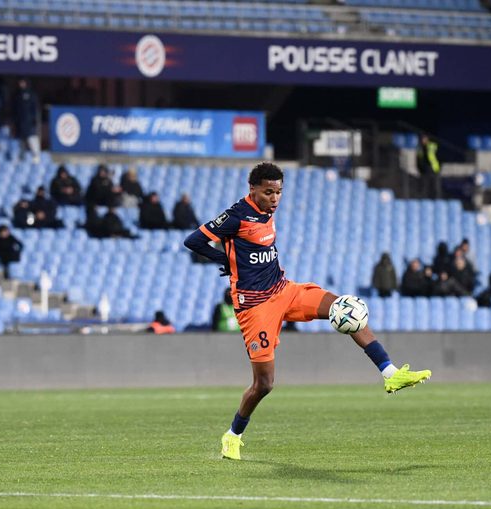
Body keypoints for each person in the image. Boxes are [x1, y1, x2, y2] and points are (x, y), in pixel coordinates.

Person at [183, 162, 431, 461]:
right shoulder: (236, 216)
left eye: (279, 192)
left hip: (284, 290)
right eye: (268, 192)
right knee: (264, 384)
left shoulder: (267, 211)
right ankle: (233, 435)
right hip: (255, 306)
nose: (274, 198)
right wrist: (224, 259)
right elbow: (193, 240)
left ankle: (390, 373)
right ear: (253, 189)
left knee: (345, 307)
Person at [11, 78, 40, 162]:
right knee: (21, 142)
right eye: (20, 82)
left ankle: (36, 156)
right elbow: (14, 109)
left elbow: (34, 108)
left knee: (32, 139)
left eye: (23, 82)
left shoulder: (31, 94)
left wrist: (34, 119)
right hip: (19, 122)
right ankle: (21, 157)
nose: (21, 84)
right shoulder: (17, 95)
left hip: (29, 122)